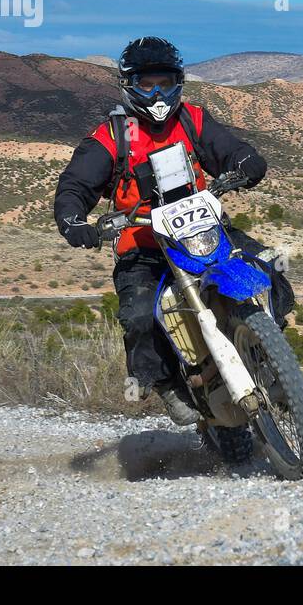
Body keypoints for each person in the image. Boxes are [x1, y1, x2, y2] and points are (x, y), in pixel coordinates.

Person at [53, 36, 267, 425]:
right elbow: (76, 185)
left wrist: (246, 161)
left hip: (202, 232)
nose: (156, 92)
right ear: (128, 84)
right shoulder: (113, 136)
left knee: (268, 264)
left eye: (165, 83)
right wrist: (73, 220)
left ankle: (270, 342)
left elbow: (228, 148)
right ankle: (167, 383)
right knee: (137, 313)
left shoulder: (193, 120)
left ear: (178, 82)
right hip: (144, 245)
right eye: (146, 83)